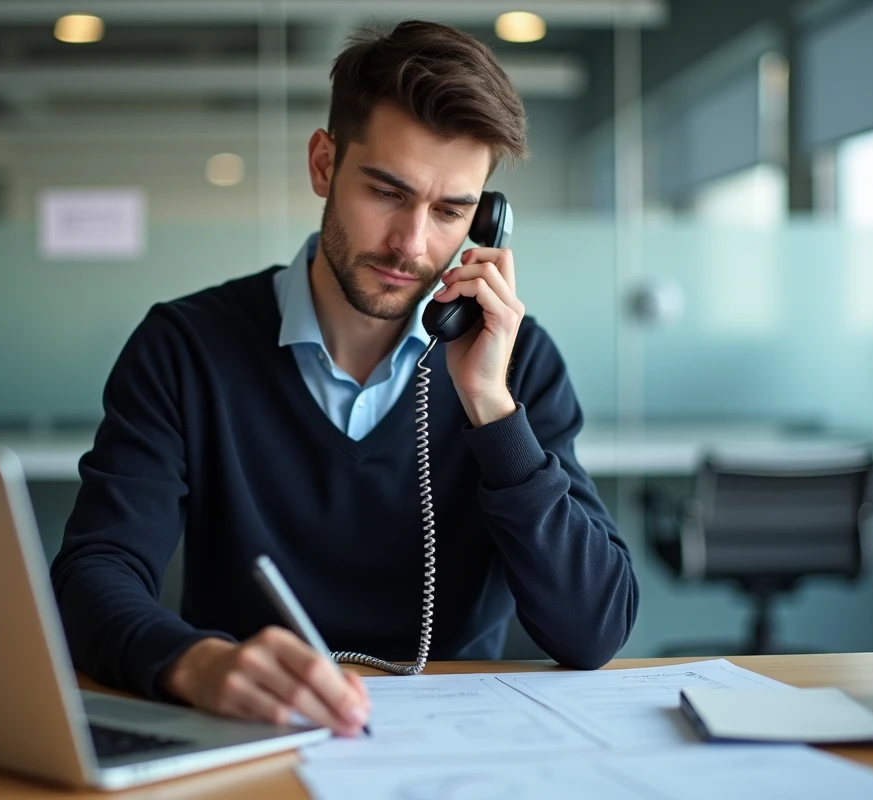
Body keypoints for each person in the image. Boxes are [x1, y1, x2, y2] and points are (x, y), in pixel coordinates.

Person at [51, 19, 638, 740]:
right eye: (387, 192)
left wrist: (491, 408)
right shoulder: (185, 347)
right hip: (246, 735)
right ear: (325, 164)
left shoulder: (516, 361)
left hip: (455, 749)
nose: (411, 244)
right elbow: (93, 574)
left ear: (484, 223)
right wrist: (195, 664)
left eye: (450, 211)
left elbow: (594, 630)